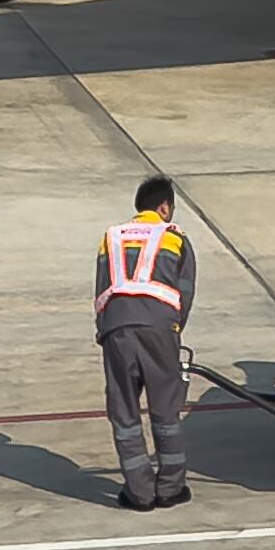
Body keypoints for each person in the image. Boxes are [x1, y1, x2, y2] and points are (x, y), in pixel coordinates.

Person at [93, 173, 199, 509]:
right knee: (165, 410)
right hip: (158, 327)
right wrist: (173, 330)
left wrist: (106, 331)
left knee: (124, 410)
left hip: (116, 329)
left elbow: (101, 289)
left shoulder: (110, 237)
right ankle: (170, 488)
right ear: (165, 207)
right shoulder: (174, 237)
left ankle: (139, 492)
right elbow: (185, 291)